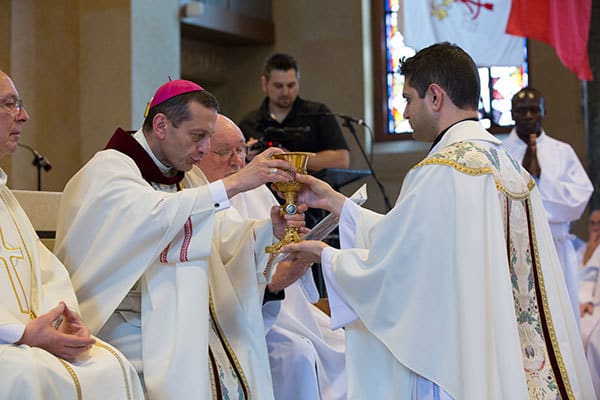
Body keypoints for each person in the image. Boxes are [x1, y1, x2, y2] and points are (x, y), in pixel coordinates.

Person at [279, 43, 595, 399]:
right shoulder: (508, 165)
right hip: (503, 352)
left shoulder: (441, 170)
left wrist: (326, 256)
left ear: (435, 96)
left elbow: (399, 268)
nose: (406, 110)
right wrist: (336, 202)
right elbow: (408, 237)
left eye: (408, 98)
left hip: (460, 356)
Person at [54, 79, 306, 399]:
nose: (203, 149)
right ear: (161, 125)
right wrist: (235, 184)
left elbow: (222, 237)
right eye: (197, 136)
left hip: (181, 314)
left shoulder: (186, 177)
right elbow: (155, 219)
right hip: (125, 320)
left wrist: (270, 230)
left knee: (243, 350)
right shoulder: (109, 171)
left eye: (208, 137)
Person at [0, 71, 144, 399]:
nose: (24, 115)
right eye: (10, 104)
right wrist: (22, 332)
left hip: (27, 337)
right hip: (9, 343)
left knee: (111, 364)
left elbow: (45, 269)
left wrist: (62, 319)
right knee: (24, 374)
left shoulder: (4, 195)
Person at [185, 113, 347, 400]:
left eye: (242, 151)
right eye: (225, 152)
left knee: (345, 346)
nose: (237, 161)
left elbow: (278, 242)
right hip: (243, 320)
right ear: (199, 153)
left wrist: (296, 246)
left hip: (288, 312)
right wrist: (274, 281)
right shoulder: (192, 198)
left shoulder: (255, 190)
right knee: (296, 356)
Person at [503, 87, 593, 323]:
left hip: (556, 246)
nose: (528, 116)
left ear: (544, 112)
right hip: (513, 250)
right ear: (512, 114)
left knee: (560, 318)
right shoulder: (500, 153)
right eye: (522, 111)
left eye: (534, 110)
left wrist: (541, 181)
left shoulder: (562, 152)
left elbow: (580, 197)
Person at [238, 52, 350, 172]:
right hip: (268, 190)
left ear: (298, 81)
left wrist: (289, 158)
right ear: (264, 84)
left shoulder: (318, 114)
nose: (286, 92)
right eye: (278, 86)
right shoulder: (249, 123)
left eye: (291, 85)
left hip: (312, 189)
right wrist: (246, 157)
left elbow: (342, 160)